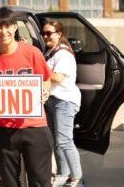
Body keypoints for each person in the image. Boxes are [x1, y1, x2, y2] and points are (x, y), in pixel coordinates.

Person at [0, 7, 53, 187]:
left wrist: (45, 91)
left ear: (14, 27)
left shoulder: (32, 53)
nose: (3, 31)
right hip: (3, 129)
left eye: (7, 26)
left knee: (40, 181)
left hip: (35, 127)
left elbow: (46, 79)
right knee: (9, 181)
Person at [42, 20, 84, 187]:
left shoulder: (63, 53)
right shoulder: (51, 51)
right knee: (56, 141)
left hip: (65, 101)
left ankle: (77, 178)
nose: (45, 36)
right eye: (43, 33)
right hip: (52, 100)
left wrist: (40, 69)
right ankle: (63, 174)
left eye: (49, 33)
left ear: (59, 34)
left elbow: (58, 77)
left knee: (65, 141)